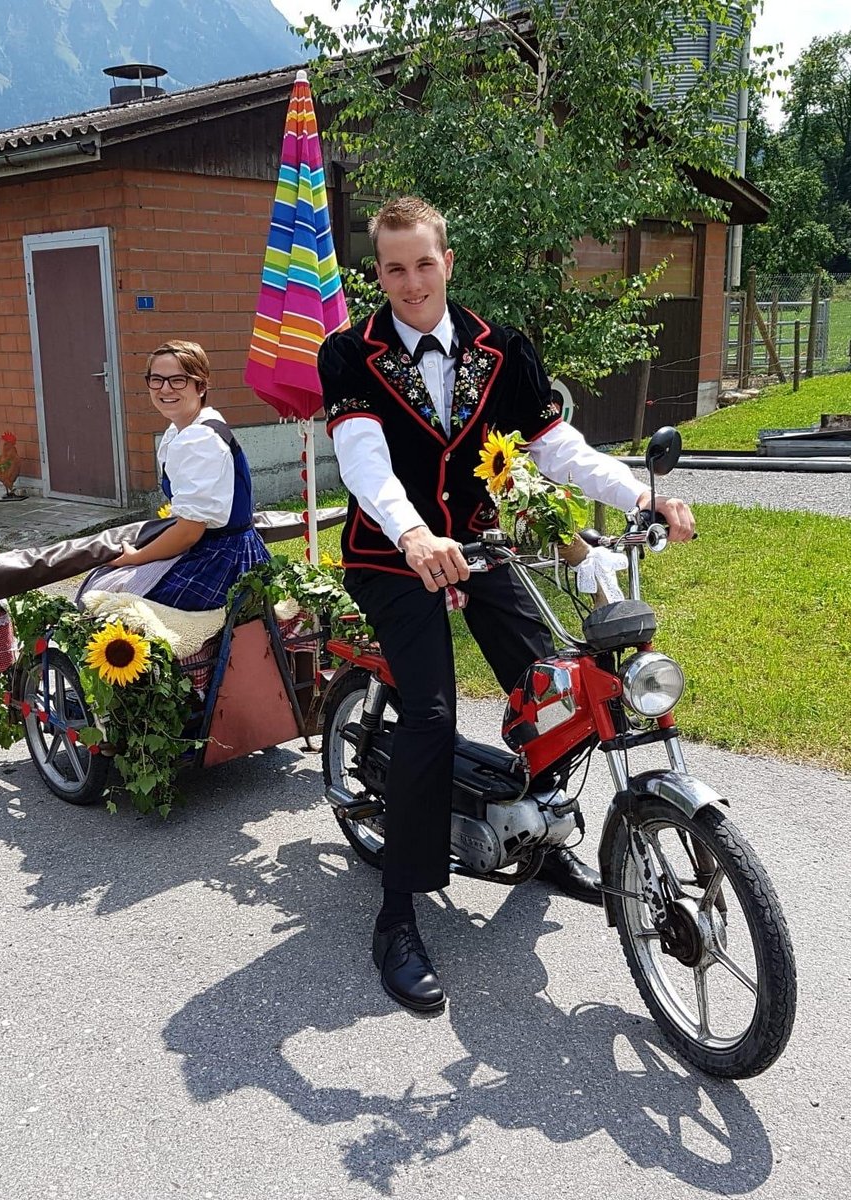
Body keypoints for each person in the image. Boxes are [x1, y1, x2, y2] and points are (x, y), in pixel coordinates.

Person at [318, 196, 696, 1014]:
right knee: (429, 716)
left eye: (424, 263)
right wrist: (414, 535)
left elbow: (556, 448)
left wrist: (639, 496)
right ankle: (397, 915)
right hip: (392, 555)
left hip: (483, 544)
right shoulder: (350, 353)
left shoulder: (501, 347)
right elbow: (363, 460)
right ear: (378, 273)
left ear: (447, 262)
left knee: (551, 686)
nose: (412, 282)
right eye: (394, 268)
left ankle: (539, 837)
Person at [79, 340, 269, 612]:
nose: (165, 389)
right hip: (217, 550)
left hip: (222, 562)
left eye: (178, 380)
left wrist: (136, 558)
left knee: (107, 597)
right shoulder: (185, 430)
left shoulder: (200, 440)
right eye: (156, 380)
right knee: (105, 582)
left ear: (200, 387)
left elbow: (189, 532)